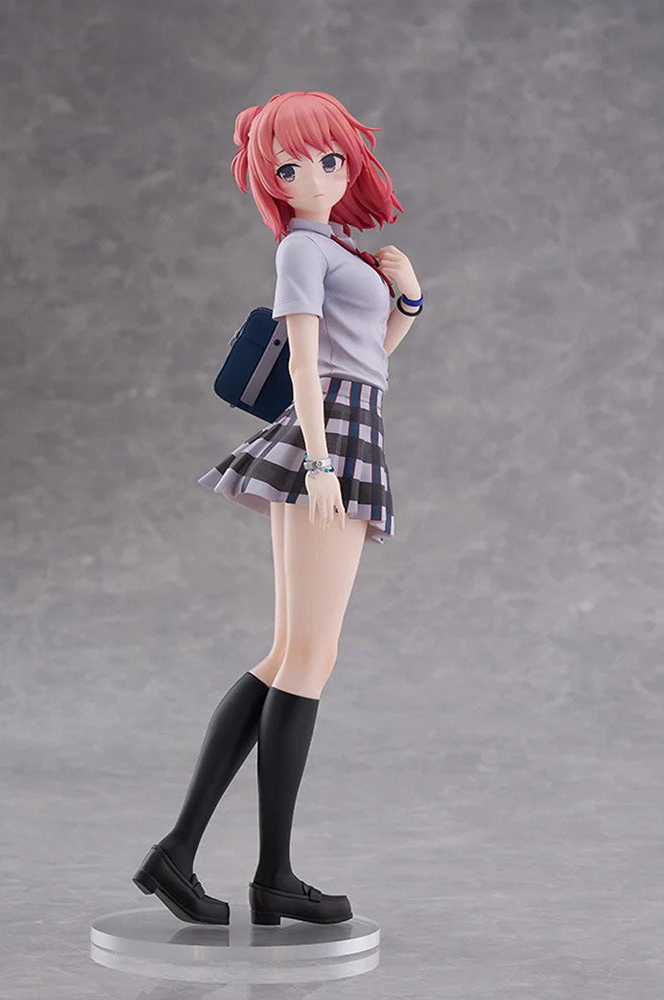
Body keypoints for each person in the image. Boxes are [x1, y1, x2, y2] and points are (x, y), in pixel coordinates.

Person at [132, 90, 423, 927]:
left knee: (292, 652)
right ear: (271, 180)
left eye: (329, 160)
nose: (316, 177)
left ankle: (181, 855)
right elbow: (304, 365)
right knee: (311, 655)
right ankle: (273, 875)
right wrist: (322, 464)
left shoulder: (336, 247)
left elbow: (366, 359)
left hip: (350, 427)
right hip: (325, 441)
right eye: (291, 167)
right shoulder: (301, 248)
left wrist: (406, 303)